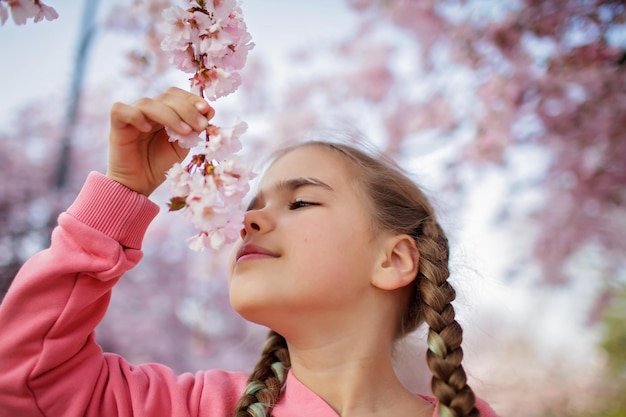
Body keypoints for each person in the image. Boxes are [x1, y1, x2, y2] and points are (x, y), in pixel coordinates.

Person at [0, 87, 498, 417]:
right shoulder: (193, 408)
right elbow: (26, 377)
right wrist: (123, 191)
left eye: (300, 201)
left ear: (393, 260)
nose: (248, 222)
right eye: (253, 206)